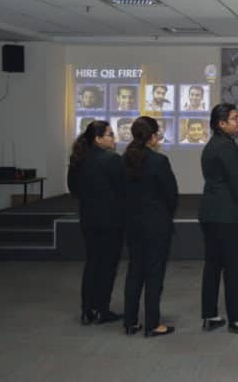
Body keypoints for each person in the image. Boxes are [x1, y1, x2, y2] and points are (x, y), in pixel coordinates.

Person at [198, 103, 238, 336]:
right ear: (221, 124)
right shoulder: (227, 147)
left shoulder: (212, 145)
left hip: (209, 212)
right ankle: (237, 319)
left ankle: (210, 315)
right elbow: (236, 181)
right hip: (226, 215)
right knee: (233, 268)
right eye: (234, 119)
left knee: (213, 265)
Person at [122, 116, 178, 337]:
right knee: (154, 274)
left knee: (134, 272)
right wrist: (165, 215)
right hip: (156, 225)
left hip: (132, 224)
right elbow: (171, 195)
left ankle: (130, 321)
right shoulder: (158, 161)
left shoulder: (124, 159)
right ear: (153, 137)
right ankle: (153, 324)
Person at [66, 120, 124, 325]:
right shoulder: (112, 160)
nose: (114, 138)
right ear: (98, 139)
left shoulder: (78, 159)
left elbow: (73, 189)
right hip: (111, 220)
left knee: (92, 263)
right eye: (110, 134)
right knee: (107, 266)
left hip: (88, 219)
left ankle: (87, 310)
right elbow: (123, 189)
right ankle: (101, 310)